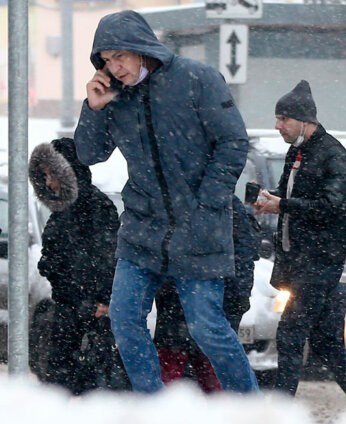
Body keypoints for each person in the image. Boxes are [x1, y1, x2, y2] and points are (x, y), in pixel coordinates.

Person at [74, 10, 258, 394]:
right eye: (105, 60)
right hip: (142, 227)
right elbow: (89, 154)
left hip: (199, 226)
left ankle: (250, 406)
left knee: (206, 326)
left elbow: (233, 142)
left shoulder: (196, 78)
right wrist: (93, 109)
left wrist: (207, 203)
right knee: (123, 320)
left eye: (119, 56)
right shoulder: (116, 97)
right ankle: (156, 410)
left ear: (142, 48)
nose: (114, 67)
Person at [252, 80, 346, 403]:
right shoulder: (296, 152)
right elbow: (290, 195)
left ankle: (278, 413)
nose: (278, 126)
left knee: (290, 334)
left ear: (305, 121)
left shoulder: (334, 155)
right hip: (298, 260)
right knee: (324, 342)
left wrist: (284, 205)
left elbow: (332, 208)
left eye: (283, 119)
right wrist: (271, 200)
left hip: (320, 261)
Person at [29, 138, 122, 394]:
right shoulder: (65, 208)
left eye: (51, 175)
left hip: (89, 310)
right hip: (69, 306)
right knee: (63, 380)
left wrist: (102, 300)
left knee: (92, 380)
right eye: (45, 176)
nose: (48, 182)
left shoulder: (94, 205)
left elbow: (106, 257)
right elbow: (61, 255)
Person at [154, 195, 260, 392]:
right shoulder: (228, 205)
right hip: (199, 307)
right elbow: (243, 260)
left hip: (181, 306)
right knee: (212, 374)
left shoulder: (174, 200)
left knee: (177, 373)